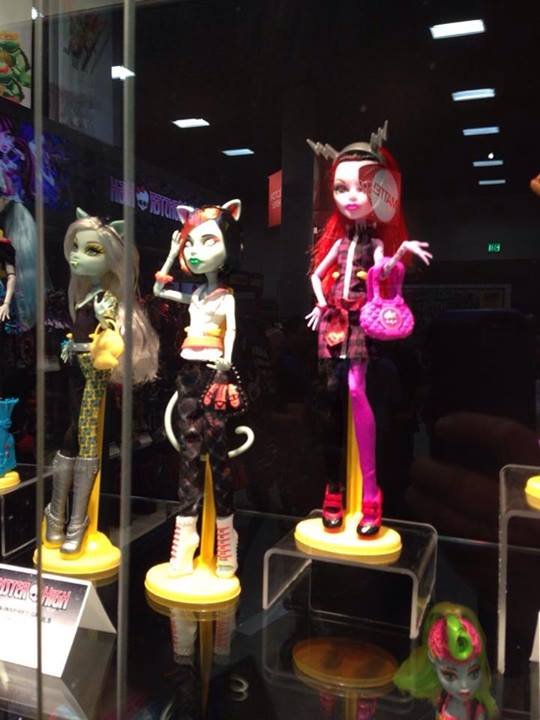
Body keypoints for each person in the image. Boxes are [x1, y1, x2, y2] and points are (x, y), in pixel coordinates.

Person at [305, 122, 432, 536]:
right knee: (329, 400)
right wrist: (321, 304)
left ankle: (371, 494)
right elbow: (316, 275)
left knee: (357, 391)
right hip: (334, 321)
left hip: (360, 320)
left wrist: (400, 251)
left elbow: (382, 271)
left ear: (379, 192)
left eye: (361, 188)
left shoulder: (374, 243)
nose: (350, 197)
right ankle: (334, 488)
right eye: (341, 189)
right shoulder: (339, 244)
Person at [43, 208, 159, 555]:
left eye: (90, 250)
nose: (77, 257)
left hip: (94, 370)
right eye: (75, 248)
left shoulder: (104, 299)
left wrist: (103, 336)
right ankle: (57, 515)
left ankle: (75, 521)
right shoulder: (83, 293)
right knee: (74, 436)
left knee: (86, 437)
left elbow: (113, 334)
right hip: (76, 368)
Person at [154, 200, 250, 579]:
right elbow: (159, 291)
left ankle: (226, 533)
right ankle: (186, 532)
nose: (194, 252)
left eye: (206, 242)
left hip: (214, 374)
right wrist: (171, 252)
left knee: (218, 454)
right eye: (190, 243)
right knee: (189, 453)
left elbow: (233, 330)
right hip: (189, 373)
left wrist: (226, 360)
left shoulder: (226, 296)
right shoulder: (195, 295)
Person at [394, 602, 498, 719]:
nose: (464, 685)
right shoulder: (441, 699)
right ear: (433, 663)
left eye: (473, 674)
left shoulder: (476, 711)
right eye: (450, 676)